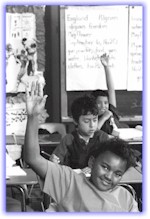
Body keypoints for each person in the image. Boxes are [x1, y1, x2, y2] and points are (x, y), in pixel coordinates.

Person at [23, 82, 139, 212]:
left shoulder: (126, 199)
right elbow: (32, 158)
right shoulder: (69, 181)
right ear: (92, 161)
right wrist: (33, 117)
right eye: (105, 167)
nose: (109, 176)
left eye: (118, 174)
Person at [50, 94, 110, 173]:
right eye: (86, 121)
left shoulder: (103, 138)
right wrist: (53, 161)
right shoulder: (68, 140)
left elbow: (110, 163)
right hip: (73, 180)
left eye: (95, 120)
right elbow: (57, 163)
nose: (92, 125)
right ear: (75, 121)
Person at [91, 53, 128, 136]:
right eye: (99, 103)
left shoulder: (111, 111)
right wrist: (104, 117)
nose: (103, 106)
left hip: (124, 136)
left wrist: (106, 67)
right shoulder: (93, 119)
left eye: (105, 103)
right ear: (93, 104)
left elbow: (111, 89)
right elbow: (93, 132)